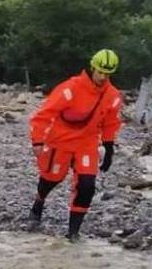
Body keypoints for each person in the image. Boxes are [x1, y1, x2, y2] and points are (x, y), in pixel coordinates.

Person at [27, 49, 123, 240]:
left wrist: (109, 147)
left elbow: (111, 121)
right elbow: (44, 114)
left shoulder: (112, 95)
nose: (103, 77)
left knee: (87, 185)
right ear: (93, 67)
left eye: (107, 74)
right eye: (100, 72)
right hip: (61, 140)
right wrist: (37, 140)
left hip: (87, 144)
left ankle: (73, 232)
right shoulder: (70, 88)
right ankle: (39, 202)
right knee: (51, 178)